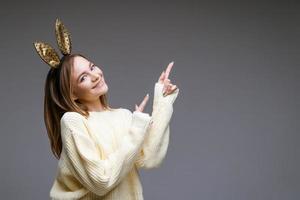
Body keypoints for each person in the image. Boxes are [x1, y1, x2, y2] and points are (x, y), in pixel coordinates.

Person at [33, 18, 179, 200]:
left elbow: (150, 159)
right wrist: (136, 128)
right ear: (72, 95)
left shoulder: (124, 116)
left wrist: (163, 101)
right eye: (83, 78)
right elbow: (101, 182)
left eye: (92, 67)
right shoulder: (73, 122)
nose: (95, 75)